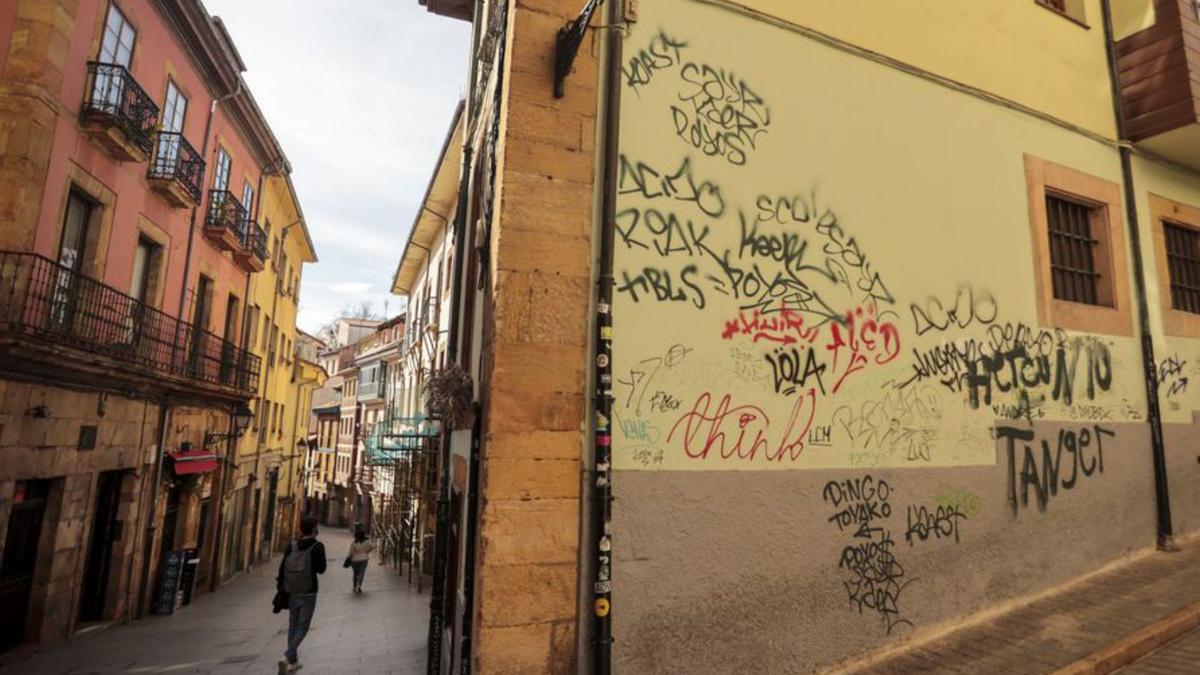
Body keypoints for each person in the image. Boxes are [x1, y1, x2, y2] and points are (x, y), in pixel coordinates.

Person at [277, 516, 326, 673]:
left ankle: (293, 662)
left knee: (293, 625)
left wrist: (281, 588)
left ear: (300, 529)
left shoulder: (291, 545)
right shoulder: (317, 546)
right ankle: (286, 656)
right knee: (303, 626)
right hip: (308, 592)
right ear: (314, 530)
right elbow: (321, 569)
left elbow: (282, 568)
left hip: (292, 591)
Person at [347, 526, 375, 593]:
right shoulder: (367, 542)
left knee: (356, 573)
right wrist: (367, 551)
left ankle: (354, 585)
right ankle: (359, 585)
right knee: (362, 572)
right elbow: (372, 547)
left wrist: (349, 557)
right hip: (364, 559)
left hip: (355, 560)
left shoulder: (353, 543)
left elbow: (351, 552)